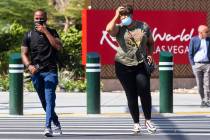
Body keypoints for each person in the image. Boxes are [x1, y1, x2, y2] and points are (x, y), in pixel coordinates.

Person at [106, 4, 156, 134]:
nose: (124, 17)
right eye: (122, 15)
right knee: (131, 95)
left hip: (140, 64)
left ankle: (148, 120)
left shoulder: (143, 26)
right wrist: (116, 14)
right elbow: (108, 29)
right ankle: (136, 123)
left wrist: (150, 54)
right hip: (123, 65)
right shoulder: (119, 28)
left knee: (145, 91)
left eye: (126, 15)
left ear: (131, 15)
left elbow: (151, 42)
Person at [21, 9, 62, 137]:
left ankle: (47, 127)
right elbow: (24, 53)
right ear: (34, 19)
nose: (38, 20)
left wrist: (45, 31)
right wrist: (29, 65)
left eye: (41, 18)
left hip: (50, 71)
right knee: (44, 102)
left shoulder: (53, 32)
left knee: (50, 100)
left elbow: (58, 47)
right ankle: (56, 121)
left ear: (46, 19)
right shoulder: (28, 35)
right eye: (36, 18)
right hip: (36, 73)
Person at [188, 25, 210, 108]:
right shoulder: (194, 40)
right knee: (199, 85)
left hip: (207, 64)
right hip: (197, 65)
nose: (208, 33)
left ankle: (207, 100)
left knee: (207, 83)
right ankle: (203, 99)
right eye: (206, 32)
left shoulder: (209, 40)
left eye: (208, 31)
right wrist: (193, 64)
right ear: (200, 33)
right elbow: (190, 53)